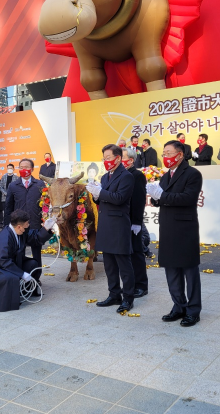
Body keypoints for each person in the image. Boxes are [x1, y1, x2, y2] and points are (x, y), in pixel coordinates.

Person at [147, 140, 203, 327]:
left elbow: (187, 198)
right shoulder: (166, 175)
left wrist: (161, 196)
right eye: (164, 153)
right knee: (171, 269)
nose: (165, 157)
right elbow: (162, 198)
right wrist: (155, 197)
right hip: (168, 227)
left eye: (169, 153)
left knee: (189, 270)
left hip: (185, 229)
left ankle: (193, 310)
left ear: (180, 154)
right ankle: (179, 306)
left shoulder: (193, 174)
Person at [87, 144, 136, 313]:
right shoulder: (106, 177)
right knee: (109, 264)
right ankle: (114, 294)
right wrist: (95, 195)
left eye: (108, 158)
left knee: (124, 264)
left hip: (119, 225)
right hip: (106, 224)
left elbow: (120, 198)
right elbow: (102, 200)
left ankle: (128, 298)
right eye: (104, 159)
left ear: (118, 158)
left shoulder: (126, 176)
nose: (106, 161)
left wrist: (100, 193)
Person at [0, 210, 56, 311]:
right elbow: (3, 261)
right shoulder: (4, 238)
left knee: (33, 264)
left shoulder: (20, 231)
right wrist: (22, 274)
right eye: (27, 224)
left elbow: (35, 237)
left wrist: (46, 228)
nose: (28, 226)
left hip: (12, 264)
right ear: (19, 226)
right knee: (10, 277)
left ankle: (25, 292)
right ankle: (10, 301)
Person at [4, 158, 46, 272]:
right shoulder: (13, 186)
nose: (24, 169)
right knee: (19, 252)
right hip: (19, 226)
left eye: (26, 167)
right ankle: (21, 275)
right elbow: (8, 207)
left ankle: (36, 276)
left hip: (36, 224)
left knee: (36, 252)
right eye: (21, 167)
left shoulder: (40, 184)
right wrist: (7, 225)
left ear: (32, 169)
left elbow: (45, 205)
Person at [122, 148, 148, 297]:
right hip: (121, 221)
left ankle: (141, 285)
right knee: (125, 254)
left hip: (133, 221)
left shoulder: (136, 175)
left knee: (137, 252)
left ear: (131, 160)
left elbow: (139, 200)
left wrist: (137, 222)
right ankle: (130, 284)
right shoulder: (122, 175)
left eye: (123, 157)